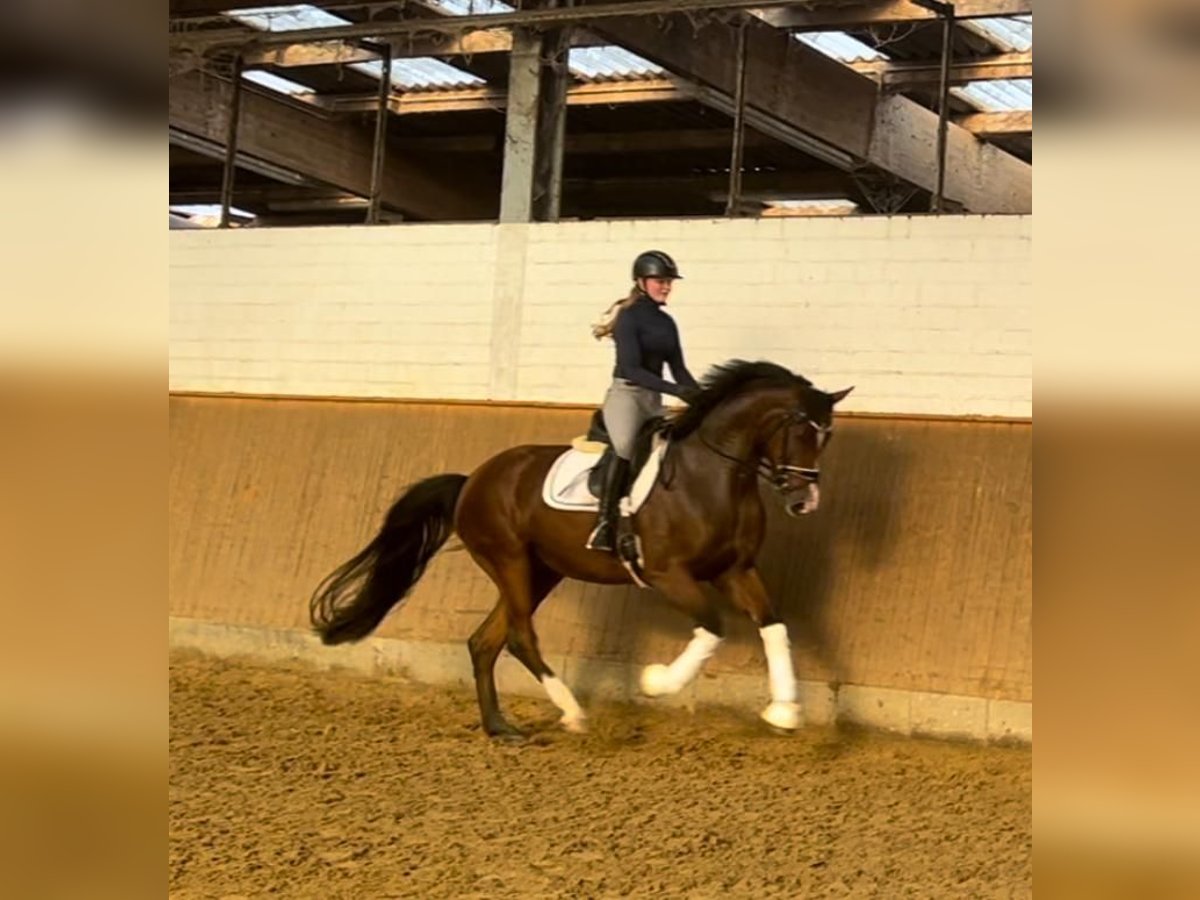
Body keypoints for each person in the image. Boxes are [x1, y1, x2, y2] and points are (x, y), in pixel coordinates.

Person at [586, 250, 699, 554]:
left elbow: (679, 368)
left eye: (669, 282)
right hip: (627, 395)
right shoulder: (629, 318)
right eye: (660, 281)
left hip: (653, 398)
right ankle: (605, 523)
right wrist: (676, 390)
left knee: (671, 450)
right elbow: (632, 368)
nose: (666, 287)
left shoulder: (667, 323)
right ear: (641, 281)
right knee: (625, 448)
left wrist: (701, 396)